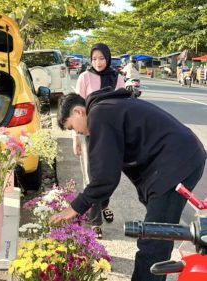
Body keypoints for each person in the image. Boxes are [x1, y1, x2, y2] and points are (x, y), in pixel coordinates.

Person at [51, 90, 206, 281]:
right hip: (179, 159)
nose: (78, 133)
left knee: (153, 241)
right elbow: (105, 169)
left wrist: (76, 207)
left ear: (78, 112)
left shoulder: (99, 115)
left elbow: (105, 178)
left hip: (176, 164)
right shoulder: (105, 109)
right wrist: (93, 206)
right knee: (157, 234)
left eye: (73, 127)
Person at [74, 43, 125, 239]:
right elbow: (77, 110)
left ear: (108, 58)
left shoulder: (116, 77)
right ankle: (95, 223)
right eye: (94, 59)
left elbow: (121, 106)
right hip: (88, 134)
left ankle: (104, 204)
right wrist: (76, 138)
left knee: (108, 175)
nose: (98, 62)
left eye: (102, 58)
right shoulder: (85, 77)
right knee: (92, 178)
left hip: (110, 135)